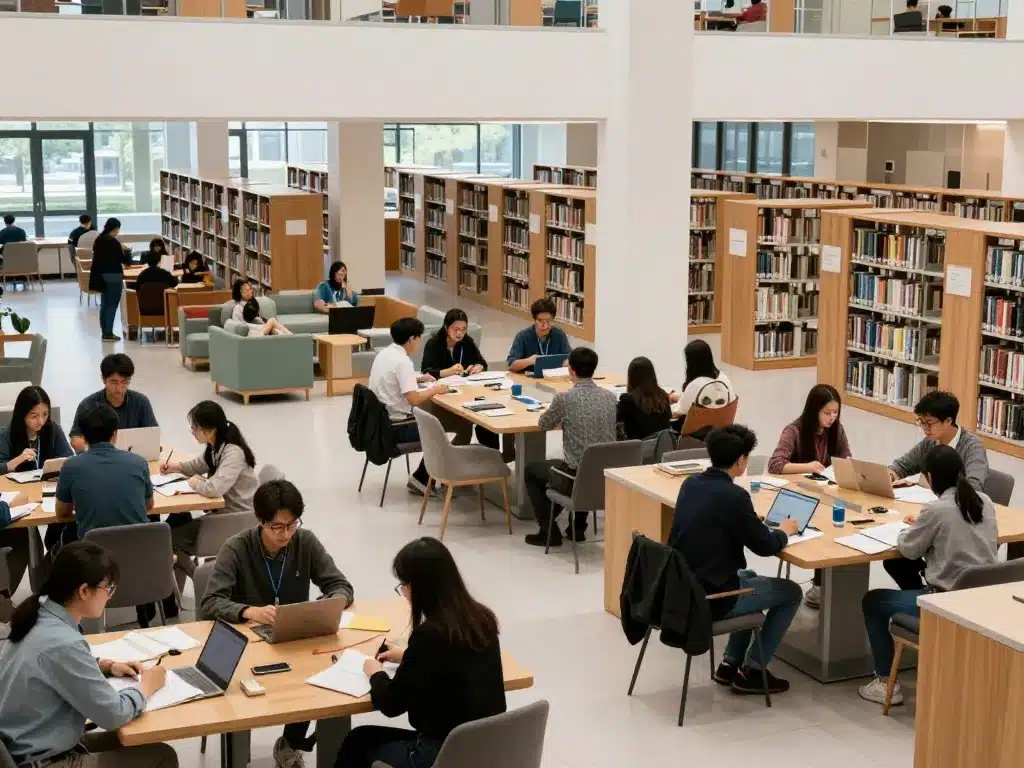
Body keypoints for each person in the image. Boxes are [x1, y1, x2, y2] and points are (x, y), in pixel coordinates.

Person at [201, 479, 354, 767]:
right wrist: (248, 611)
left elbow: (340, 584)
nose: (286, 534)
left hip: (294, 638)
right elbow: (209, 604)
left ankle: (292, 742)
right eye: (278, 527)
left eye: (292, 525)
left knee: (323, 682)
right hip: (247, 645)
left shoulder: (304, 541)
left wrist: (331, 602)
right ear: (260, 521)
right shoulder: (236, 548)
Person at [0, 541, 177, 768]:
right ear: (84, 591)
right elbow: (113, 715)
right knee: (162, 756)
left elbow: (50, 662)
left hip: (26, 744)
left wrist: (104, 665)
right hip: (42, 759)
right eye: (108, 589)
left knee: (133, 743)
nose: (110, 597)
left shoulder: (38, 614)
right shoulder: (63, 642)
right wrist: (147, 686)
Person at [337, 537, 505, 768]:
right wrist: (409, 655)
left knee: (357, 743)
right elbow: (451, 665)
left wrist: (375, 672)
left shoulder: (430, 635)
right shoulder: (481, 619)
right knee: (363, 739)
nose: (404, 592)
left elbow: (391, 704)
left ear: (418, 587)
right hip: (487, 750)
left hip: (440, 755)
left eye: (403, 585)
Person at [859, 445, 997, 706]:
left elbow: (909, 550)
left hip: (945, 602)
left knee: (873, 601)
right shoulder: (985, 502)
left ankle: (885, 681)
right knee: (900, 570)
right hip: (981, 600)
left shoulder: (936, 510)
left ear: (930, 479)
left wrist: (906, 531)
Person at [669, 424, 802, 695]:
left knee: (749, 576)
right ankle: (753, 669)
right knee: (791, 592)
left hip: (684, 586)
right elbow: (765, 546)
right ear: (741, 461)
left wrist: (749, 522)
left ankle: (729, 663)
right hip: (710, 598)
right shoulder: (734, 496)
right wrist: (784, 532)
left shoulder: (691, 483)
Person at [768, 384, 852, 608]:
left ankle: (825, 585)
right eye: (827, 413)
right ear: (814, 410)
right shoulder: (794, 431)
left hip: (828, 493)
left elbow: (846, 460)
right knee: (825, 525)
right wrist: (807, 466)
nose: (832, 418)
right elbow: (775, 465)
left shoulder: (837, 430)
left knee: (841, 523)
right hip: (799, 498)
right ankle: (819, 585)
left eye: (836, 412)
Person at [524, 347, 617, 547]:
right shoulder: (610, 398)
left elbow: (543, 424)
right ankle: (578, 527)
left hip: (574, 480)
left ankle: (548, 531)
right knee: (590, 457)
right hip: (606, 479)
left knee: (532, 471)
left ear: (571, 370)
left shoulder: (564, 399)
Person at [161, 400, 259, 585]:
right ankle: (197, 581)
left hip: (234, 520)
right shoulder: (217, 445)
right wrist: (176, 467)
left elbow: (214, 489)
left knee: (166, 539)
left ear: (210, 430)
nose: (193, 433)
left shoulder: (233, 453)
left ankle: (202, 581)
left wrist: (194, 482)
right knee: (177, 523)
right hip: (223, 514)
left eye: (195, 429)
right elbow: (200, 464)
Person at [0, 386, 74, 603]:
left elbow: (68, 458)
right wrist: (16, 462)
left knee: (63, 525)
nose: (40, 421)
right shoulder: (6, 434)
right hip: (17, 497)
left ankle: (48, 579)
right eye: (34, 416)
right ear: (22, 414)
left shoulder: (53, 431)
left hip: (48, 493)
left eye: (44, 414)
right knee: (21, 535)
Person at [367, 317, 449, 496]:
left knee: (431, 421)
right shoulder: (403, 362)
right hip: (394, 427)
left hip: (378, 421)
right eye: (419, 338)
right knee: (438, 432)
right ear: (412, 339)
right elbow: (413, 399)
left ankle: (430, 476)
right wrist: (435, 389)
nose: (420, 342)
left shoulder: (386, 353)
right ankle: (421, 479)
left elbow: (392, 378)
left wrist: (416, 378)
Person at [419, 309, 500, 451]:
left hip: (466, 392)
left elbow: (482, 362)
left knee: (487, 415)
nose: (459, 333)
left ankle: (494, 455)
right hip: (442, 396)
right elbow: (426, 371)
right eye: (455, 329)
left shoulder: (467, 342)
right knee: (466, 423)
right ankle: (452, 456)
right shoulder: (434, 343)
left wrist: (478, 367)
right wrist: (447, 372)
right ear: (446, 327)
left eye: (463, 329)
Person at [888, 391, 988, 492]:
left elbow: (974, 487)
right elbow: (903, 465)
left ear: (948, 421)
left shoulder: (973, 447)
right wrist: (891, 474)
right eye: (921, 422)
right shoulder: (930, 442)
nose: (924, 428)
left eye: (929, 423)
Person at [69, 353, 158, 454]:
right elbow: (75, 439)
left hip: (132, 459)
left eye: (125, 382)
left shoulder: (141, 402)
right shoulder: (88, 405)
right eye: (114, 382)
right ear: (103, 379)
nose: (120, 389)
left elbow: (153, 436)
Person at [87, 217, 132, 341]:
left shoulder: (99, 240)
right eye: (118, 229)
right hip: (114, 276)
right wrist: (127, 250)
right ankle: (109, 333)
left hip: (101, 276)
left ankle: (105, 332)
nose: (118, 232)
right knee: (112, 305)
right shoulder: (114, 242)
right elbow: (125, 261)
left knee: (105, 304)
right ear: (115, 228)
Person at [506, 297, 572, 374]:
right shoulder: (523, 336)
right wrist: (529, 361)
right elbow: (512, 365)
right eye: (540, 321)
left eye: (548, 321)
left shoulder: (559, 335)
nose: (545, 326)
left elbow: (570, 359)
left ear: (553, 320)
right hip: (528, 378)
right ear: (534, 320)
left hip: (553, 377)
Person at [671, 339, 733, 420]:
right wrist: (680, 397)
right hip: (721, 428)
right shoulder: (724, 377)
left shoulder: (694, 385)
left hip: (699, 430)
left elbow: (678, 412)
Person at [616, 356, 672, 440]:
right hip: (661, 448)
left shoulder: (628, 400)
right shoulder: (662, 396)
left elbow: (618, 423)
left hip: (637, 449)